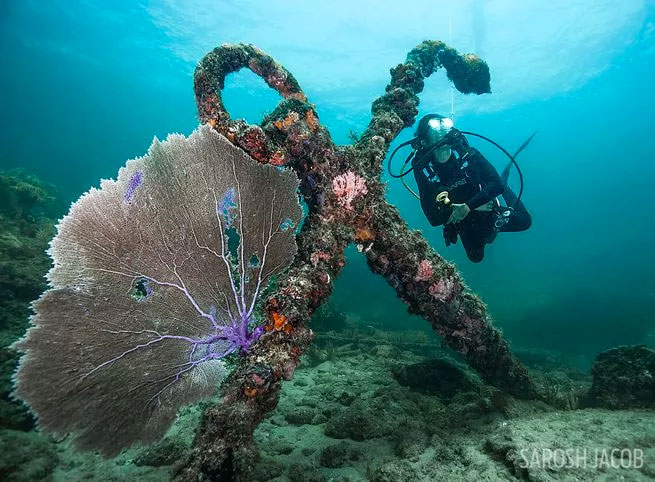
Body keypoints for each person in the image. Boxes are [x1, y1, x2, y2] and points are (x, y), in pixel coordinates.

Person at [412, 114, 531, 262]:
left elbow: (497, 186)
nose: (442, 131)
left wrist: (468, 206)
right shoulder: (424, 169)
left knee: (525, 221)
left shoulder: (467, 153)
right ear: (424, 140)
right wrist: (471, 208)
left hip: (485, 208)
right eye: (435, 128)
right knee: (476, 256)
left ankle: (507, 187)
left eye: (445, 126)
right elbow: (433, 219)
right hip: (463, 218)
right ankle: (486, 231)